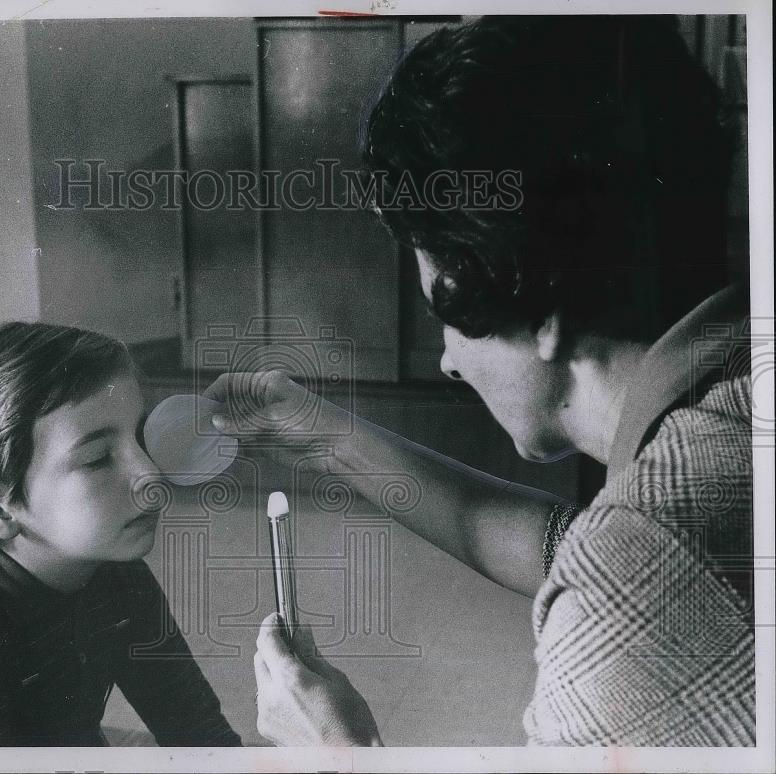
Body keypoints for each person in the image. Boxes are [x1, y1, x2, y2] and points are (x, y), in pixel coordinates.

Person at [209, 16, 755, 746]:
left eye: (447, 307)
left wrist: (338, 755)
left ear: (541, 307)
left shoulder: (639, 590)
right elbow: (573, 544)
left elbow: (625, 566)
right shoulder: (732, 406)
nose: (449, 359)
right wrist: (319, 433)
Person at [0, 322, 241, 746]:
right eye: (99, 458)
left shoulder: (118, 575)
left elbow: (200, 736)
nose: (150, 473)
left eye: (140, 436)